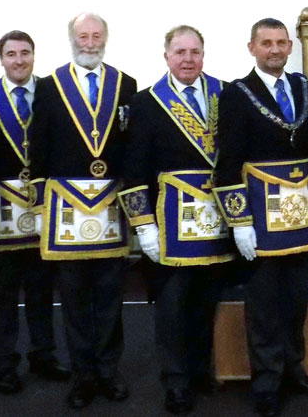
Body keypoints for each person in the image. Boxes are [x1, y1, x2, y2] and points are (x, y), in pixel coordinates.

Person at [213, 18, 308, 416]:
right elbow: (226, 163)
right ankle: (265, 381)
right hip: (261, 216)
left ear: (290, 46)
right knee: (263, 304)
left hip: (303, 215)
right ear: (252, 48)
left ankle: (292, 366)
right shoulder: (235, 94)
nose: (275, 49)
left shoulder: (302, 86)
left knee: (297, 299)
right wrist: (239, 221)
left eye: (281, 42)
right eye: (266, 43)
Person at [119, 25, 233, 415]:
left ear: (204, 55)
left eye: (195, 52)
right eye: (180, 52)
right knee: (172, 307)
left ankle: (200, 371)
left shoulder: (225, 94)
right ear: (166, 55)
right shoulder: (147, 103)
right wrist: (143, 225)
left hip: (217, 222)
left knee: (206, 302)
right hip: (169, 227)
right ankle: (176, 381)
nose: (188, 59)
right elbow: (133, 169)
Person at [28, 12, 138, 410]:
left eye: (96, 36)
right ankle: (82, 375)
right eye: (83, 36)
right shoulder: (49, 85)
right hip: (66, 212)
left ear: (106, 38)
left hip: (110, 205)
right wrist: (40, 204)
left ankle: (108, 372)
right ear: (71, 39)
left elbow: (130, 148)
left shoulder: (125, 84)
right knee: (73, 298)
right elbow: (36, 148)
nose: (90, 42)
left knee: (110, 296)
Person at [0, 30, 70, 395]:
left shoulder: (51, 92)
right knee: (2, 293)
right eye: (11, 54)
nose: (18, 60)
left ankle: (43, 354)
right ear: (1, 59)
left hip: (43, 207)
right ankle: (4, 363)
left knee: (43, 289)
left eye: (25, 53)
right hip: (1, 209)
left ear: (34, 56)